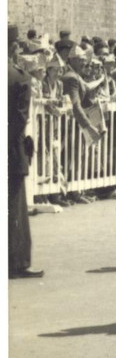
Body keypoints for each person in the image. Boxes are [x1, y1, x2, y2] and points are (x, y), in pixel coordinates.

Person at [9, 29, 45, 278]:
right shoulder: (19, 78)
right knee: (15, 208)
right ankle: (17, 262)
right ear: (13, 47)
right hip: (10, 154)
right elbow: (18, 121)